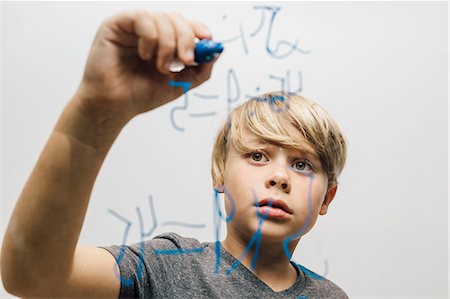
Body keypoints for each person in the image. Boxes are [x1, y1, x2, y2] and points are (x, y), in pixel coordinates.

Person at [1, 10, 348, 298]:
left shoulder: (331, 296)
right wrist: (94, 111)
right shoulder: (165, 266)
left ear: (326, 198)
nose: (279, 177)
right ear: (219, 173)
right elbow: (33, 275)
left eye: (302, 164)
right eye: (257, 156)